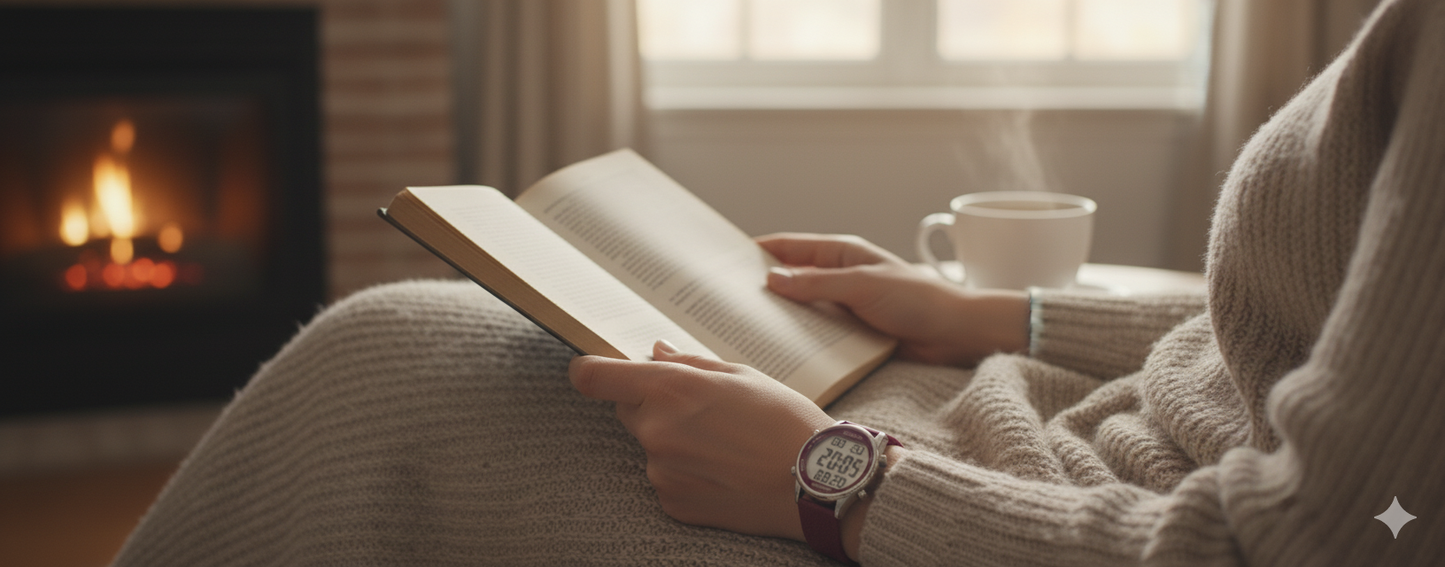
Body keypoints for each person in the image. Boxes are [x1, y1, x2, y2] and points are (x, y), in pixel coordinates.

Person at [113, 0, 1442, 564]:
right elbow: (1338, 323)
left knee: (381, 372)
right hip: (1075, 425)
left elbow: (1344, 543)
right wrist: (998, 315)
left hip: (1032, 512)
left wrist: (843, 484)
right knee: (398, 348)